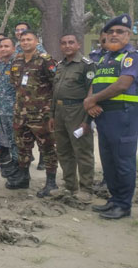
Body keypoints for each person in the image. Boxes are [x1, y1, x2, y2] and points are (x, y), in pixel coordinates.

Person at [85, 14, 138, 220]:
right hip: (104, 116)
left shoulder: (133, 57)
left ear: (128, 35)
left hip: (123, 115)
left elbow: (122, 84)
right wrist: (90, 101)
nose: (114, 35)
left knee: (123, 161)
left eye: (119, 31)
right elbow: (95, 83)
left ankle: (123, 205)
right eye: (110, 32)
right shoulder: (104, 58)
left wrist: (93, 100)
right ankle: (114, 199)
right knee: (108, 160)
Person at [5, 30, 57, 197]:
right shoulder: (17, 59)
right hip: (21, 113)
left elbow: (55, 83)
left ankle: (51, 182)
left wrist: (52, 111)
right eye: (23, 40)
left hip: (41, 114)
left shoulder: (45, 60)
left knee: (47, 148)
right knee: (23, 147)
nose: (25, 42)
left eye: (29, 39)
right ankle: (23, 177)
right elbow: (15, 83)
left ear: (36, 42)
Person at [50, 33, 96, 202]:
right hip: (60, 111)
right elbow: (55, 92)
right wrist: (52, 115)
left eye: (71, 42)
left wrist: (87, 120)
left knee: (82, 151)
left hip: (77, 110)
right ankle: (69, 186)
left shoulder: (87, 65)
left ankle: (86, 188)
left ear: (78, 44)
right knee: (63, 150)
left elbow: (93, 93)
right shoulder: (60, 65)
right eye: (63, 43)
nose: (67, 45)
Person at [0, 38, 18, 176]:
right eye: (1, 46)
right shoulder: (0, 64)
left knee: (17, 138)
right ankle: (14, 161)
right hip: (3, 108)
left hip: (15, 108)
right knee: (10, 138)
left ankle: (18, 164)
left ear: (14, 48)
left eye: (6, 46)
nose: (3, 49)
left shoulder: (18, 63)